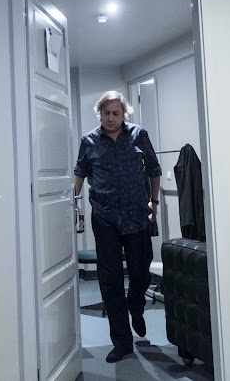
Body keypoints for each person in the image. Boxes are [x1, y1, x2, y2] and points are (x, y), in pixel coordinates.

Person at [73, 91, 162, 363]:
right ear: (99, 113)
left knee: (141, 271)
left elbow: (154, 170)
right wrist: (69, 203)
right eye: (106, 113)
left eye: (116, 113)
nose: (111, 118)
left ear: (124, 115)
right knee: (110, 280)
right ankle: (122, 341)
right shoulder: (88, 141)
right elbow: (80, 173)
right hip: (105, 218)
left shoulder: (138, 135)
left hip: (136, 215)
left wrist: (154, 201)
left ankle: (136, 303)